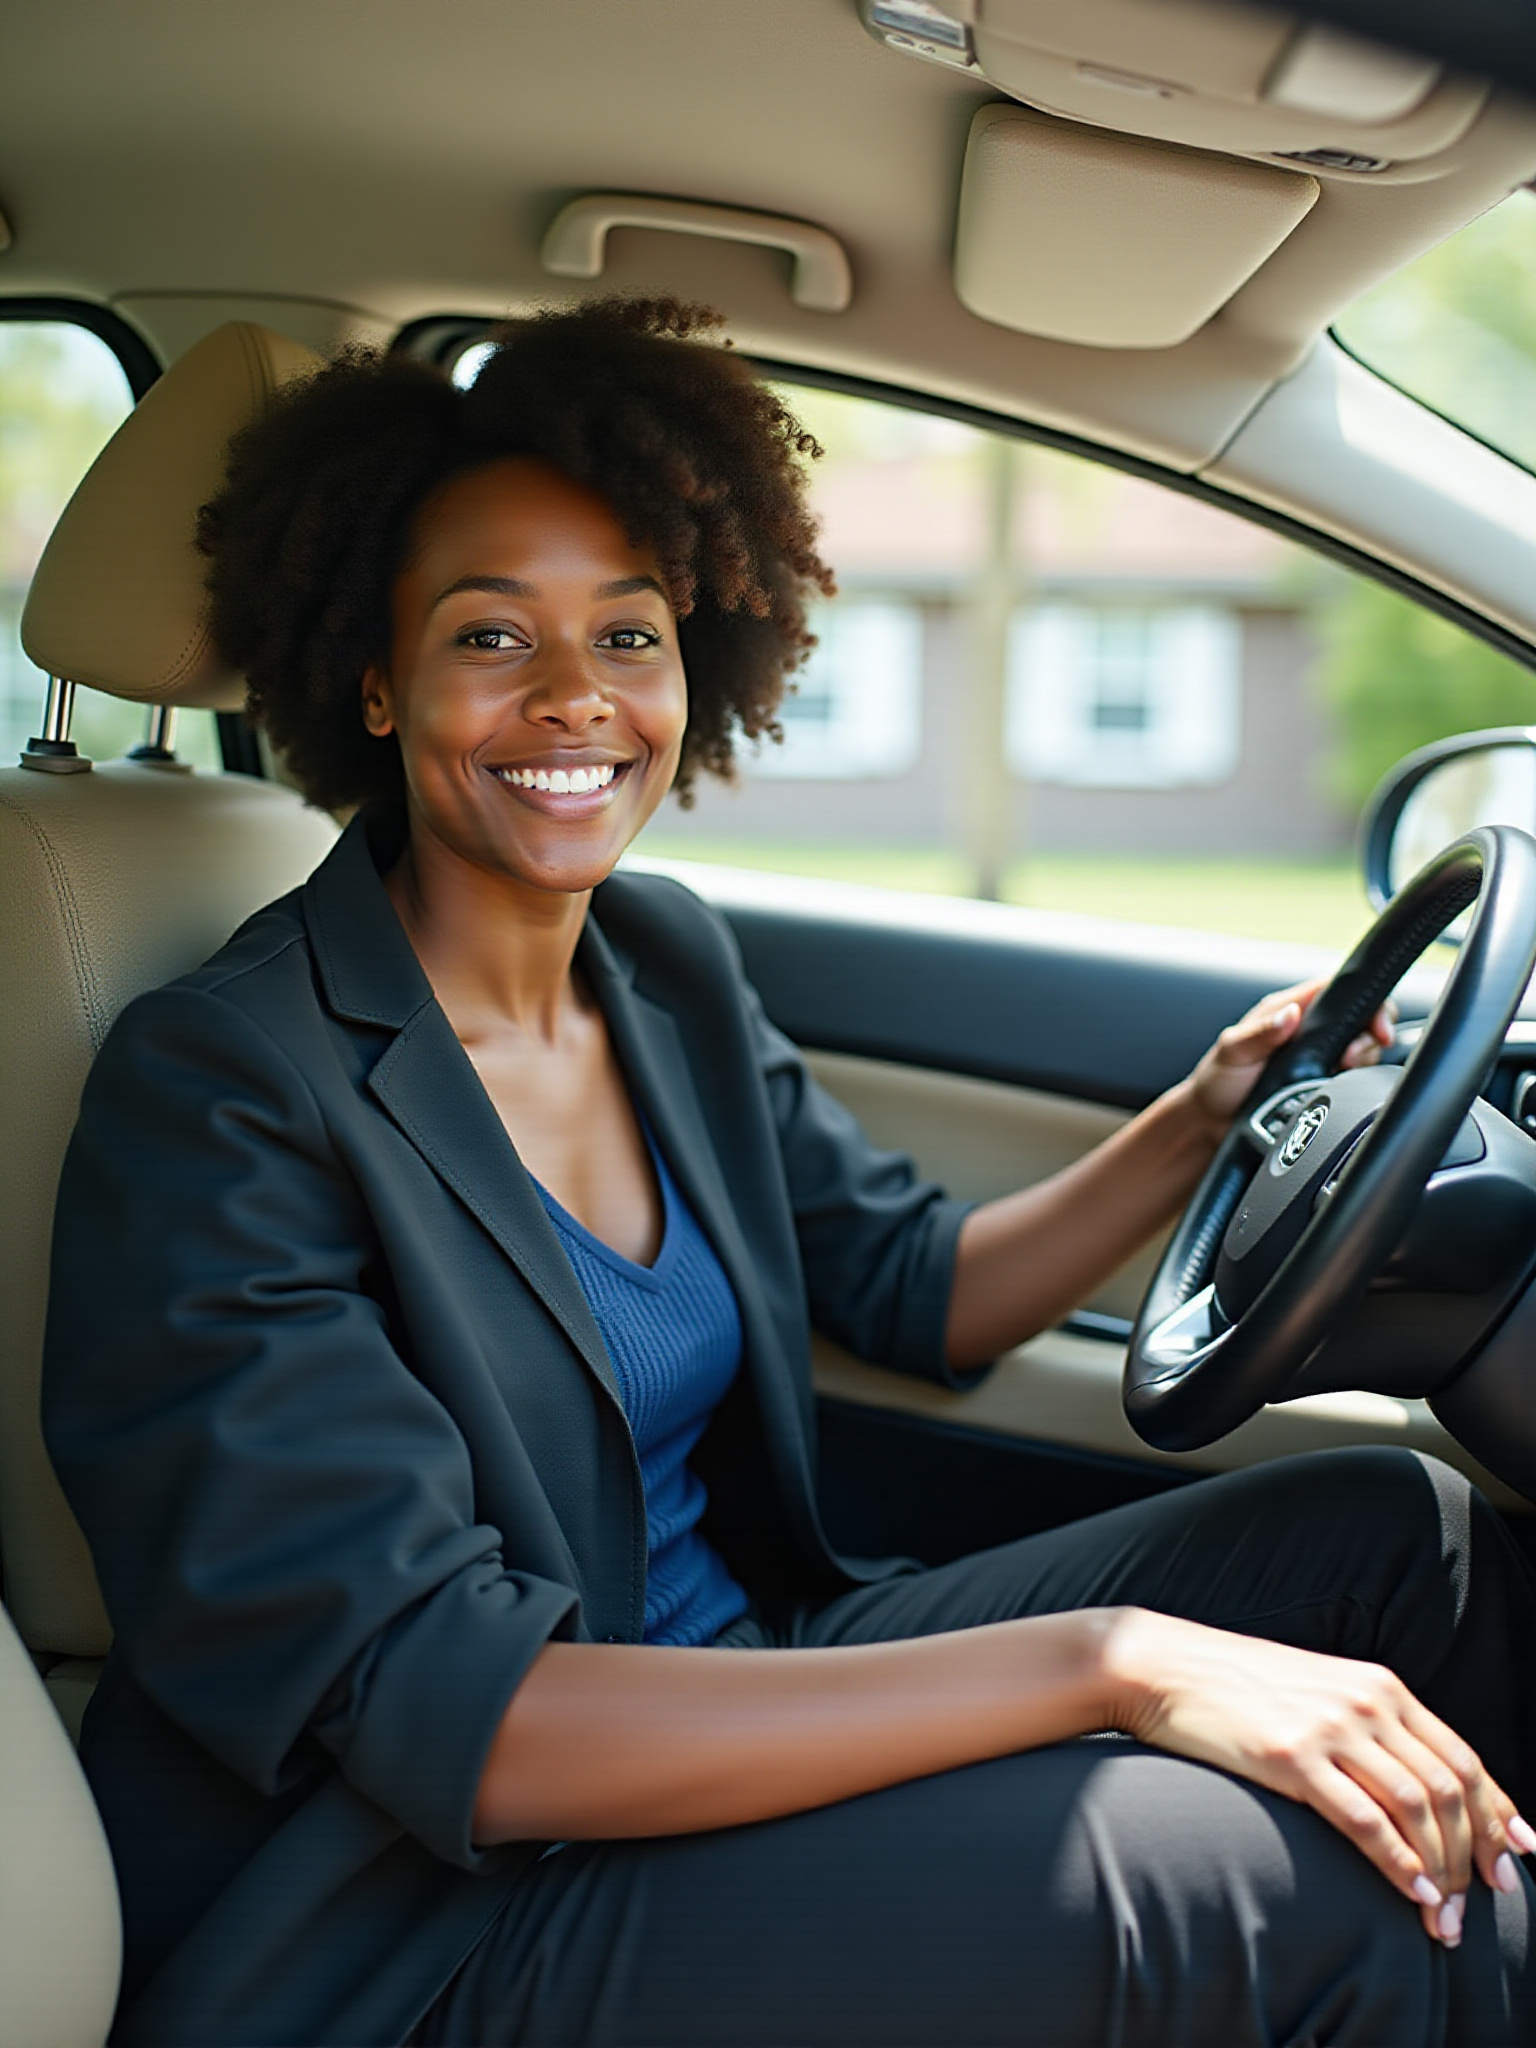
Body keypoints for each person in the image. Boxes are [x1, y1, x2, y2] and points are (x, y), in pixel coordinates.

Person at [43, 297, 1536, 2048]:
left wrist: (1208, 1116)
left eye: (629, 630)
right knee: (1257, 1877)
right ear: (372, 680)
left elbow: (916, 1287)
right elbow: (459, 1716)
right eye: (486, 635)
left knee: (1394, 1538)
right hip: (430, 1898)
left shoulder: (659, 964)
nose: (575, 697)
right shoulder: (226, 1088)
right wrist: (1114, 1665)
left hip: (744, 1668)